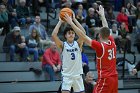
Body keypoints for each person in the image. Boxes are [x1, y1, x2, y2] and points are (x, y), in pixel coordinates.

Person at [64, 5, 118, 93]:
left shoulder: (100, 47)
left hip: (105, 80)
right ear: (108, 35)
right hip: (115, 79)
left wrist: (71, 23)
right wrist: (102, 16)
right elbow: (106, 28)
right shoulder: (112, 42)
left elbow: (83, 36)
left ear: (99, 36)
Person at [52, 11, 86, 93]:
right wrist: (60, 21)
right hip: (67, 76)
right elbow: (53, 35)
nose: (71, 34)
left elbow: (83, 33)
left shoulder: (78, 43)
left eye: (73, 33)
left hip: (78, 75)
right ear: (65, 35)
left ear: (75, 35)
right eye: (69, 33)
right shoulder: (63, 45)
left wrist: (74, 20)